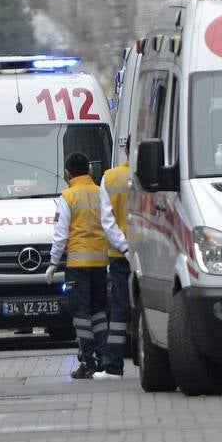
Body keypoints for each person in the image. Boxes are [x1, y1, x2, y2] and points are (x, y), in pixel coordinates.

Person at [48, 152, 110, 379]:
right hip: (100, 262)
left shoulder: (68, 196)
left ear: (68, 173)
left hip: (77, 264)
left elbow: (60, 235)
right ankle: (104, 357)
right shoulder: (100, 193)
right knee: (99, 312)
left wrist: (54, 262)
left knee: (81, 314)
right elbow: (109, 225)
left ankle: (88, 362)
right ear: (90, 171)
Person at [97, 153, 132, 378]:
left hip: (121, 255)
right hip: (153, 251)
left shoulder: (110, 178)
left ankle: (114, 366)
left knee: (120, 308)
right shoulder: (155, 173)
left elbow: (107, 222)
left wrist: (125, 247)